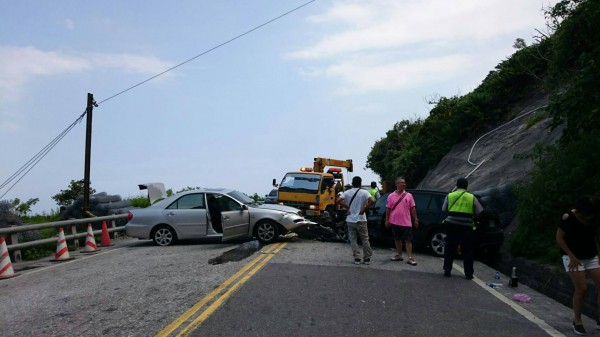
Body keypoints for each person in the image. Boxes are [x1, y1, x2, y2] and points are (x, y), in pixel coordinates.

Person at [555, 195, 600, 336]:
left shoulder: (594, 217)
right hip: (572, 256)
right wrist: (571, 256)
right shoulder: (568, 217)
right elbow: (559, 238)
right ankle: (578, 320)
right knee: (582, 287)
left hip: (590, 255)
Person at [442, 177, 482, 279]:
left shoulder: (450, 195)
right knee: (468, 250)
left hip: (451, 225)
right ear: (466, 186)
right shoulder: (471, 197)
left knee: (450, 248)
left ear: (457, 185)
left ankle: (447, 270)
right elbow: (479, 211)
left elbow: (444, 209)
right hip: (466, 227)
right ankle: (468, 274)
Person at [336, 176, 374, 265]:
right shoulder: (365, 192)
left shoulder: (347, 192)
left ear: (352, 183)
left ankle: (357, 258)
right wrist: (364, 209)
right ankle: (367, 258)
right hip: (361, 219)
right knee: (365, 239)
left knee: (353, 239)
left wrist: (347, 207)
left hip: (350, 220)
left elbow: (338, 200)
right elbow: (372, 201)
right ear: (360, 183)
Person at [385, 176, 419, 266]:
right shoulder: (391, 196)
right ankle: (399, 255)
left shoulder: (409, 195)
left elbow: (413, 208)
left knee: (408, 240)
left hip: (406, 222)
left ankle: (410, 258)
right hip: (395, 221)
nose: (404, 184)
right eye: (401, 182)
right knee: (397, 239)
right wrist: (387, 220)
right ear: (397, 184)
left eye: (404, 182)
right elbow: (388, 209)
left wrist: (415, 219)